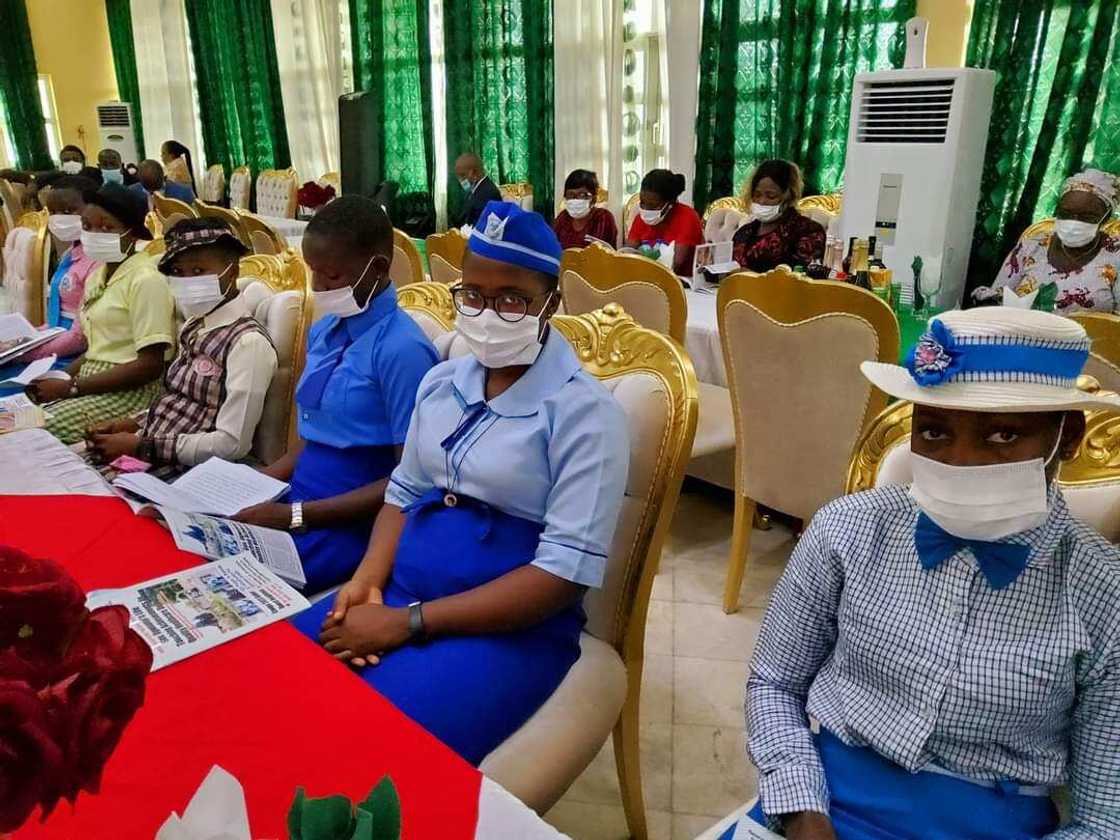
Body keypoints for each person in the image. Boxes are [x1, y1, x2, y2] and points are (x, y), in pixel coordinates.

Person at [736, 307, 1120, 840]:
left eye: (1003, 436)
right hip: (826, 794)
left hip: (993, 822)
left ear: (1068, 437)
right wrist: (802, 809)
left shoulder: (1104, 595)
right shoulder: (847, 530)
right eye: (935, 431)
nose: (959, 461)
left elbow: (1107, 818)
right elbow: (774, 682)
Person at [291, 200, 630, 765]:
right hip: (400, 591)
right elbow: (401, 493)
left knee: (367, 753)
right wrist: (366, 581)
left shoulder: (585, 415)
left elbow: (562, 575)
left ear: (551, 301)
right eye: (471, 294)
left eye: (511, 299)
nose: (487, 312)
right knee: (276, 677)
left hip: (508, 631)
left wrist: (408, 624)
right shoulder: (443, 383)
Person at [233, 196, 439, 592]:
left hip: (351, 519)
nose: (317, 287)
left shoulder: (402, 350)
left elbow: (410, 481)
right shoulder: (327, 331)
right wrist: (255, 485)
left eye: (330, 277)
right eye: (313, 272)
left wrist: (297, 516)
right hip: (298, 497)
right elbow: (312, 438)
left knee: (246, 589)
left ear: (377, 268)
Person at [86, 218, 277, 471]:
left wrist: (141, 445)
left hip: (190, 471)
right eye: (177, 273)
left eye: (198, 271)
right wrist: (131, 425)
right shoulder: (195, 325)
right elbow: (179, 404)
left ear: (232, 272)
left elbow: (231, 444)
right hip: (150, 454)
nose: (187, 281)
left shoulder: (247, 344)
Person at [27, 183, 173, 444]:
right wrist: (60, 377)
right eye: (87, 226)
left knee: (34, 432)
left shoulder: (146, 280)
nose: (94, 234)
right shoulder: (98, 275)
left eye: (106, 227)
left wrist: (71, 388)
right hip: (92, 379)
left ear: (131, 233)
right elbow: (97, 349)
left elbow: (150, 365)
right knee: (19, 417)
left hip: (131, 390)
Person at [977, 168, 1120, 314]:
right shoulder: (1033, 246)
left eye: (1087, 217)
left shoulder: (1116, 255)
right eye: (1066, 213)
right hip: (1024, 333)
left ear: (1105, 218)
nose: (1073, 222)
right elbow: (999, 297)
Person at [731, 159, 825, 273]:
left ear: (789, 195)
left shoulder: (809, 232)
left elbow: (799, 280)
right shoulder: (744, 232)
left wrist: (750, 277)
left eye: (771, 196)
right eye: (757, 195)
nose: (762, 201)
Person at [626, 168, 704, 277]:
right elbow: (628, 255)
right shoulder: (640, 218)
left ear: (670, 203)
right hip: (644, 280)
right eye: (642, 203)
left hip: (681, 284)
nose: (646, 209)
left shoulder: (687, 217)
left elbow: (675, 264)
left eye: (653, 206)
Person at [552, 169, 618, 250]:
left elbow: (597, 252)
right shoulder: (563, 217)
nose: (575, 199)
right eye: (570, 194)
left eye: (582, 195)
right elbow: (552, 246)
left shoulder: (603, 217)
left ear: (593, 198)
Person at [453, 152, 503, 229]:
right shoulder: (475, 190)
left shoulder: (488, 193)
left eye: (462, 175)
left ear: (473, 173)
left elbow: (481, 228)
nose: (460, 181)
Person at [130, 159, 195, 205]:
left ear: (163, 175)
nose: (155, 194)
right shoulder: (132, 193)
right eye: (150, 191)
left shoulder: (184, 192)